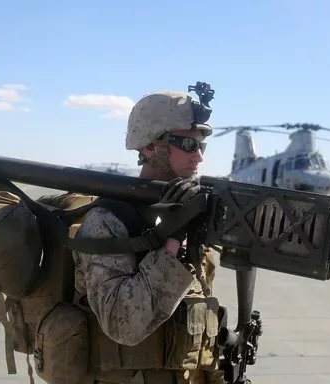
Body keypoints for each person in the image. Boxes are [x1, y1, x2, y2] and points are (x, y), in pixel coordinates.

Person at [72, 90, 225, 384]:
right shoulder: (109, 219)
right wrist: (172, 237)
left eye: (202, 145)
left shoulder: (192, 212)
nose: (200, 156)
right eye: (188, 144)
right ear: (152, 147)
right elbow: (123, 323)